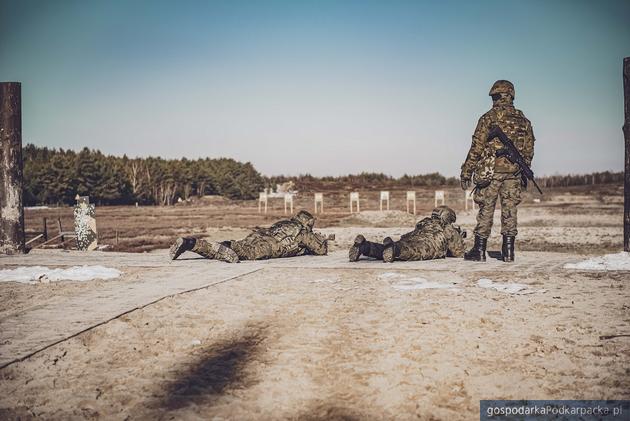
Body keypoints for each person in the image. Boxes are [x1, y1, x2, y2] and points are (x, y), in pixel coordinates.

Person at [460, 80, 536, 262]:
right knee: (510, 211)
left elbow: (476, 147)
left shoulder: (488, 118)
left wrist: (466, 171)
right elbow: (529, 148)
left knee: (486, 209)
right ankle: (508, 252)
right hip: (514, 174)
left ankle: (479, 250)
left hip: (491, 172)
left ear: (496, 96)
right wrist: (525, 168)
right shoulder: (523, 120)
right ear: (511, 96)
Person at [169, 210, 328, 263]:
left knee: (236, 245)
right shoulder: (303, 231)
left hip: (259, 235)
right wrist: (322, 240)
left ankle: (190, 243)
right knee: (244, 253)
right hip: (269, 246)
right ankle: (219, 247)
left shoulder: (285, 222)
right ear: (308, 222)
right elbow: (320, 250)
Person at [348, 206, 466, 263]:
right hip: (428, 243)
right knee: (412, 252)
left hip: (412, 237)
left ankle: (365, 246)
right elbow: (458, 252)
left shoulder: (425, 221)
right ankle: (394, 249)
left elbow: (416, 232)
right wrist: (458, 236)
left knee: (388, 249)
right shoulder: (447, 228)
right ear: (447, 217)